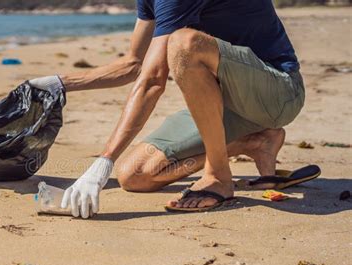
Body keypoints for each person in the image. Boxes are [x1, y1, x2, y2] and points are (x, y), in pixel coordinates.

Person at [30, 0, 306, 218]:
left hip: (277, 93)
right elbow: (133, 65)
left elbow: (153, 80)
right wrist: (56, 83)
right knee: (135, 175)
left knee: (184, 44)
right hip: (228, 103)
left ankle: (218, 177)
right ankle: (254, 141)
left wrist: (104, 160)